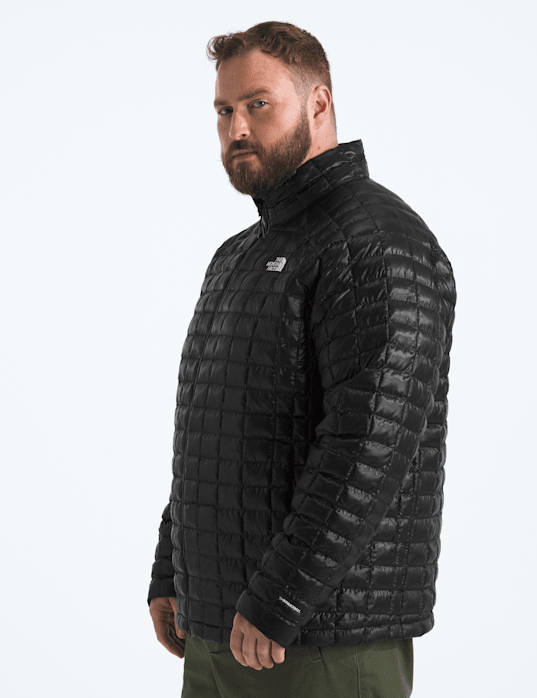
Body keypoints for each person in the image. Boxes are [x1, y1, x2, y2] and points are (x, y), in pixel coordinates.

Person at [148, 20, 457, 698]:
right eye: (224, 110)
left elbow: (369, 447)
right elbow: (210, 429)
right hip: (221, 630)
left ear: (319, 103)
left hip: (318, 640)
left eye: (258, 103)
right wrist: (173, 570)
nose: (237, 127)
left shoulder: (378, 243)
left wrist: (282, 595)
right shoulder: (237, 257)